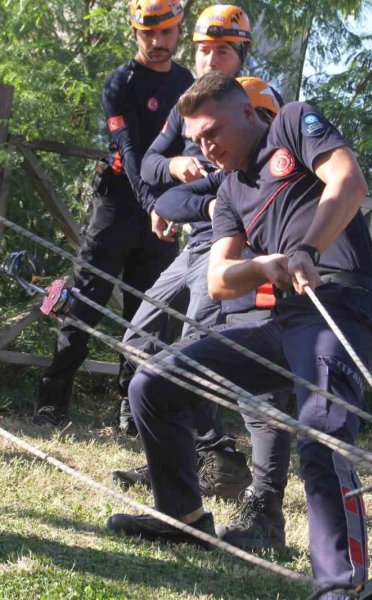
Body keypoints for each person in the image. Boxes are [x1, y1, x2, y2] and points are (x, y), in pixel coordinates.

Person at [109, 71, 372, 598]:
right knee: (153, 384)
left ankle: (340, 587)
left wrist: (307, 249)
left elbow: (348, 181)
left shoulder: (291, 124)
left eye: (212, 132)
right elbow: (218, 280)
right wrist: (265, 266)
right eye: (196, 140)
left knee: (319, 430)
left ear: (247, 112)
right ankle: (183, 518)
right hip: (282, 322)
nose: (205, 147)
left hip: (344, 306)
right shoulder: (230, 191)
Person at [116, 75, 293, 550]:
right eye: (203, 138)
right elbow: (169, 198)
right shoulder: (232, 177)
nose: (211, 147)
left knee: (266, 401)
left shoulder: (288, 170)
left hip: (276, 296)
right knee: (165, 370)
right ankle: (192, 484)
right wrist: (213, 205)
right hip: (231, 277)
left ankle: (264, 510)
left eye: (269, 121)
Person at [111, 6, 266, 503]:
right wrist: (178, 168)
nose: (210, 60)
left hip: (232, 245)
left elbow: (246, 188)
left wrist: (190, 201)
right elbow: (150, 167)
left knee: (196, 349)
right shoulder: (186, 107)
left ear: (241, 54)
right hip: (192, 242)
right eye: (202, 50)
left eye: (222, 51)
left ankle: (221, 458)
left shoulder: (254, 101)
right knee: (139, 338)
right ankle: (176, 454)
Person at [32, 0, 192, 428]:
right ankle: (52, 401)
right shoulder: (121, 83)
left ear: (179, 31)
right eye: (148, 34)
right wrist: (152, 203)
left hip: (163, 213)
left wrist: (175, 206)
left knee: (149, 314)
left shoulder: (187, 84)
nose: (157, 42)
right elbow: (131, 152)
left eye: (166, 32)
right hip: (117, 206)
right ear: (135, 33)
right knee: (82, 303)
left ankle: (131, 409)